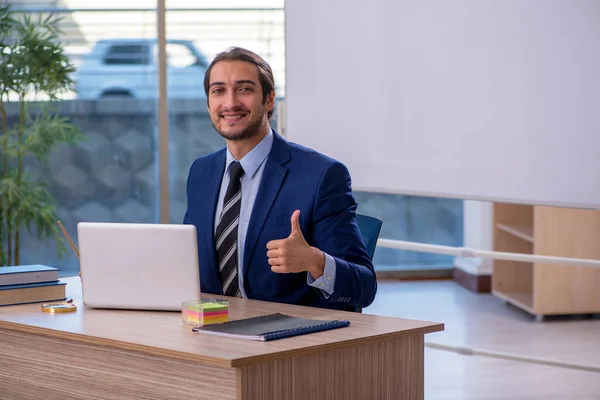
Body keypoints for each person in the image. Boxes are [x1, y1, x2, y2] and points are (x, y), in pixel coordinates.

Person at [183, 47, 376, 310]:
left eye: (244, 89)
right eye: (218, 91)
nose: (230, 103)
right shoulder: (201, 172)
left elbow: (364, 287)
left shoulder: (320, 176)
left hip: (286, 339)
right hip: (212, 331)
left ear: (270, 99)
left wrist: (315, 262)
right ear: (208, 103)